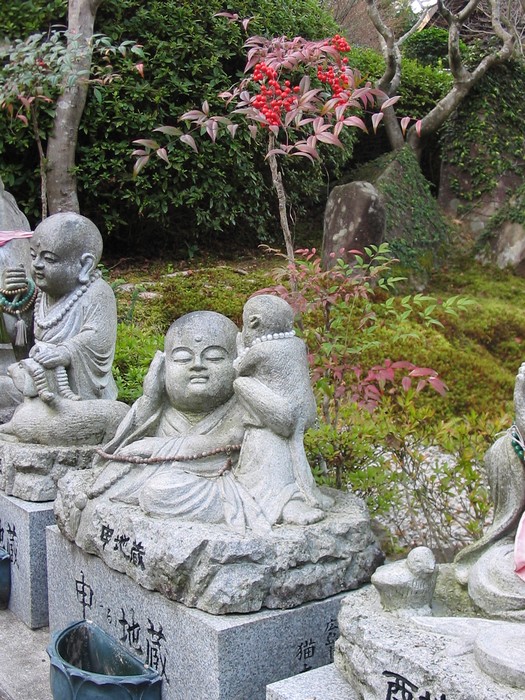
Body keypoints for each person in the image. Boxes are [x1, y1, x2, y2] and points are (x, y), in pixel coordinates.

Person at [78, 311, 270, 535]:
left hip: (215, 482)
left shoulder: (244, 407)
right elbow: (120, 450)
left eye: (214, 357)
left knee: (160, 491)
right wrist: (149, 400)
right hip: (168, 476)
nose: (197, 365)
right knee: (116, 476)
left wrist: (156, 447)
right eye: (182, 358)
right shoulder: (158, 408)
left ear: (238, 363)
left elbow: (229, 440)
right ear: (163, 366)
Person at [233, 295, 332, 526]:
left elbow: (238, 369)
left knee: (240, 383)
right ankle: (310, 493)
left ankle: (286, 501)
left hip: (282, 416)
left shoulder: (260, 350)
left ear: (254, 323)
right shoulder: (298, 344)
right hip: (306, 412)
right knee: (296, 450)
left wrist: (240, 348)